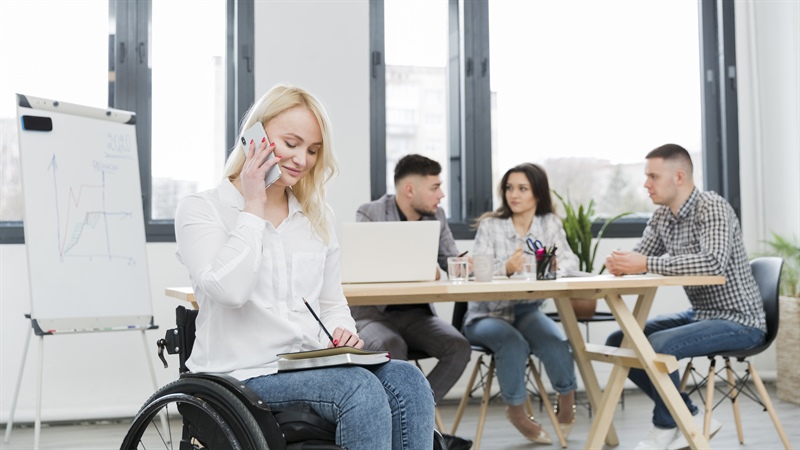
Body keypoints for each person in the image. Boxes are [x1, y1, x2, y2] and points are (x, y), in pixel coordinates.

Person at [174, 84, 435, 450]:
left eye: (313, 150)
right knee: (358, 390)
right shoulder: (202, 209)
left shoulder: (315, 216)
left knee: (409, 380)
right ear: (256, 138)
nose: (302, 159)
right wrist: (254, 203)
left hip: (310, 366)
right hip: (242, 372)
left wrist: (343, 331)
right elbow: (230, 292)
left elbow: (330, 304)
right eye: (291, 143)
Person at [604, 143, 767, 450]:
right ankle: (687, 414)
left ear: (678, 177)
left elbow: (712, 262)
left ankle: (665, 426)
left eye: (653, 176)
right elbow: (642, 257)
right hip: (702, 314)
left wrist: (644, 263)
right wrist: (622, 263)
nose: (645, 184)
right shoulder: (663, 216)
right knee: (620, 340)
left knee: (659, 345)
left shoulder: (712, 206)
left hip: (741, 321)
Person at [350, 154, 473, 450]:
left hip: (417, 315)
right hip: (373, 315)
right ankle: (413, 428)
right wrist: (420, 270)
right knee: (392, 346)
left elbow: (452, 261)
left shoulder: (437, 216)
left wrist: (468, 265)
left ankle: (410, 417)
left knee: (458, 347)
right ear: (409, 190)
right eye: (434, 187)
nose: (441, 194)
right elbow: (364, 264)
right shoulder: (370, 213)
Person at [462, 163, 579, 444]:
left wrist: (552, 266)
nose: (513, 194)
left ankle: (566, 406)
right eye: (509, 188)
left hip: (526, 309)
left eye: (522, 189)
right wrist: (507, 268)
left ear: (537, 194)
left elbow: (571, 261)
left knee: (555, 340)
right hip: (486, 315)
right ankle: (516, 413)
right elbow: (478, 268)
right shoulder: (491, 225)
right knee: (512, 343)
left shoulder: (549, 223)